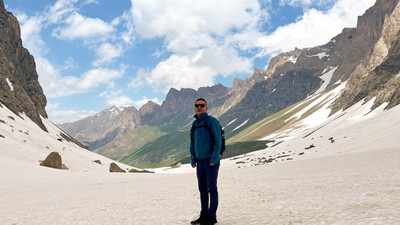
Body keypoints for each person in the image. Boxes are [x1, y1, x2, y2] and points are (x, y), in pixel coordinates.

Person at [190, 98, 222, 225]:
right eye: (197, 105)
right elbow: (192, 143)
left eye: (202, 105)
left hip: (210, 161)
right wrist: (193, 159)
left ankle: (212, 216)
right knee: (202, 189)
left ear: (206, 108)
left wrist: (214, 159)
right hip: (200, 161)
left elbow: (217, 140)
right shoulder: (194, 124)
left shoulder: (211, 121)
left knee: (212, 188)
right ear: (194, 108)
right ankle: (204, 215)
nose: (199, 107)